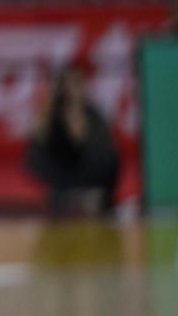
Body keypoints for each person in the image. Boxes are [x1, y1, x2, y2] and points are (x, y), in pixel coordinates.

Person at [24, 64, 120, 216]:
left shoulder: (93, 114)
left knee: (108, 156)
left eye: (77, 83)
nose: (73, 90)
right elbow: (38, 146)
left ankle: (86, 194)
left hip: (88, 171)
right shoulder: (53, 115)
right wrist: (49, 112)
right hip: (62, 172)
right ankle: (70, 194)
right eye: (69, 84)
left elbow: (102, 148)